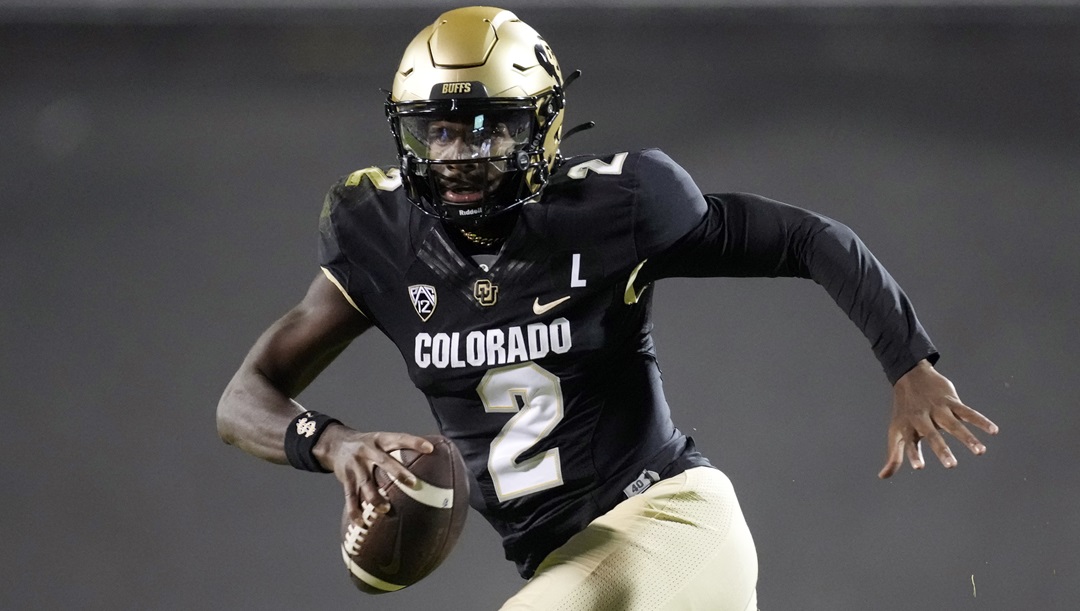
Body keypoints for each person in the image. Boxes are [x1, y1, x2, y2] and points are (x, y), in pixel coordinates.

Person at [216, 6, 999, 610]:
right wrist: (331, 442)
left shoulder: (615, 208)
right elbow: (243, 397)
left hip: (670, 522)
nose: (459, 158)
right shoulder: (381, 238)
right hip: (571, 568)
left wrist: (909, 360)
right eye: (441, 133)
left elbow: (804, 237)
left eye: (489, 132)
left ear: (544, 127)